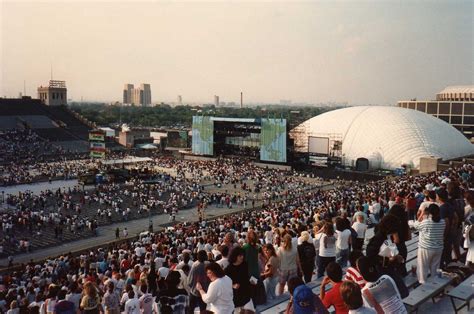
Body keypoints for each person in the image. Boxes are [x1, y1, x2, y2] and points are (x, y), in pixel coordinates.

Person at [413, 203, 445, 284]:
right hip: (438, 248)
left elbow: (416, 226)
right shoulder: (442, 222)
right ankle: (435, 285)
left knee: (422, 268)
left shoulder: (426, 222)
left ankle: (423, 285)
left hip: (426, 248)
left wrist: (422, 214)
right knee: (435, 269)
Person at [225, 247, 255, 312]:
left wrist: (253, 280)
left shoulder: (245, 264)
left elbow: (248, 276)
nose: (242, 257)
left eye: (243, 255)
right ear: (235, 256)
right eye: (240, 255)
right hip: (236, 297)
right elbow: (225, 283)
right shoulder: (228, 269)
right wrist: (233, 285)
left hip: (247, 295)